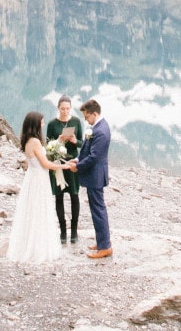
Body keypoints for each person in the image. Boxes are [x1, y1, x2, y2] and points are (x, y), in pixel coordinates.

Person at [6, 111, 66, 263]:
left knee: (32, 211)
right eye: (41, 122)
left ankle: (28, 245)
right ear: (36, 124)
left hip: (32, 177)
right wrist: (66, 166)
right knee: (40, 211)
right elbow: (45, 164)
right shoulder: (35, 142)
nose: (43, 124)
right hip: (39, 179)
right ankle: (38, 249)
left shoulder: (27, 141)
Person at [67, 98, 112, 259]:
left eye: (87, 116)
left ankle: (105, 246)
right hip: (94, 175)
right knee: (96, 209)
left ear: (94, 113)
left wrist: (77, 167)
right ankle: (101, 242)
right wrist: (78, 159)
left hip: (96, 176)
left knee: (98, 210)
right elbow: (87, 149)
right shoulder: (96, 126)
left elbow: (93, 157)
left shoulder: (101, 131)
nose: (85, 119)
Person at [46, 96, 83, 244]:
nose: (65, 111)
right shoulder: (52, 124)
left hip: (72, 162)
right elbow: (48, 147)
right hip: (58, 163)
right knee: (59, 196)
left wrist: (75, 140)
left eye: (68, 108)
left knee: (74, 195)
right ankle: (62, 230)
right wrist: (59, 141)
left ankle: (74, 231)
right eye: (62, 109)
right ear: (58, 108)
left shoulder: (76, 121)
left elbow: (82, 143)